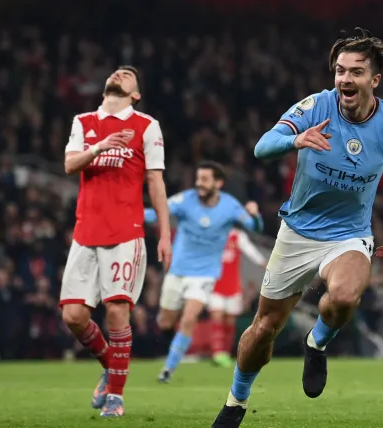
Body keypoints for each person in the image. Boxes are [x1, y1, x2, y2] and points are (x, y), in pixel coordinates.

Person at [212, 28, 383, 427]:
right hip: (298, 232)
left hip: (349, 236)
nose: (344, 79)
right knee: (264, 328)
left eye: (355, 72)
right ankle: (236, 402)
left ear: (374, 80)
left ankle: (317, 341)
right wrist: (296, 140)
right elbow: (262, 147)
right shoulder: (315, 107)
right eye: (340, 71)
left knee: (342, 298)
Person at [60, 65, 173, 417]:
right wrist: (100, 148)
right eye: (117, 72)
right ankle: (112, 366)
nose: (120, 75)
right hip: (85, 232)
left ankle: (116, 397)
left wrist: (165, 233)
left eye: (128, 75)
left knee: (116, 310)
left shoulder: (146, 126)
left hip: (125, 231)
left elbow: (155, 182)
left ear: (135, 94)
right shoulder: (83, 122)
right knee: (74, 316)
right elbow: (69, 165)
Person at [144, 161, 264, 383]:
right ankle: (177, 347)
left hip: (206, 274)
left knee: (189, 318)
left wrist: (255, 216)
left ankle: (168, 370)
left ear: (218, 183)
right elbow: (156, 214)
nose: (199, 184)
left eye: (205, 180)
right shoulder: (185, 200)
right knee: (165, 322)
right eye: (198, 179)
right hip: (178, 270)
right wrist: (130, 214)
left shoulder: (230, 206)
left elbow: (255, 228)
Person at [209, 228, 267, 367]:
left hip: (233, 286)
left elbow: (250, 250)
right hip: (214, 285)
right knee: (216, 316)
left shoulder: (237, 236)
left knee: (229, 320)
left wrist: (263, 263)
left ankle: (225, 354)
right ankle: (217, 353)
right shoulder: (211, 233)